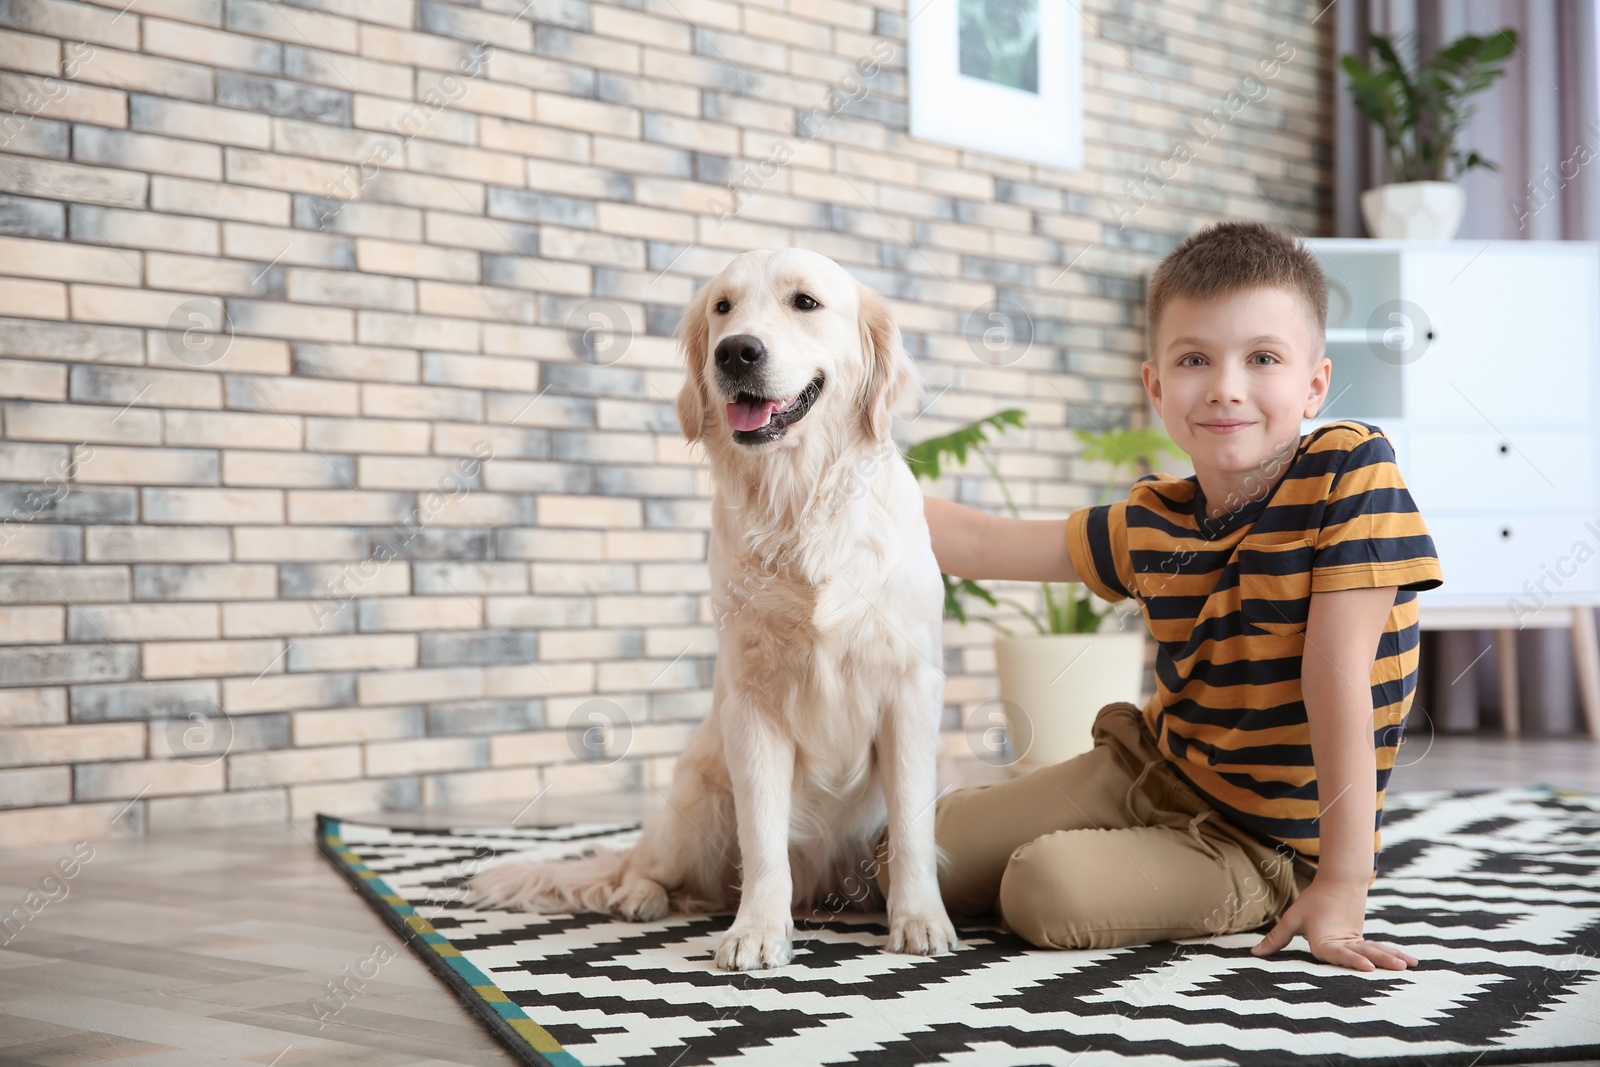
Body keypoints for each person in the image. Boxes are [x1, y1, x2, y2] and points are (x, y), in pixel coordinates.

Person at [875, 220, 1442, 972]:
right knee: (904, 854)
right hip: (1149, 767)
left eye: (1262, 358)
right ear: (1157, 386)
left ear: (1314, 384)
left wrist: (1341, 883)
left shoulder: (1353, 470)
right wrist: (851, 474)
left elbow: (1335, 674)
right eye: (1194, 359)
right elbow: (979, 542)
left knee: (1043, 888)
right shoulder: (1154, 519)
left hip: (1265, 841)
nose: (1226, 386)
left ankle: (1260, 887)